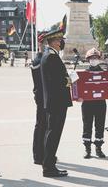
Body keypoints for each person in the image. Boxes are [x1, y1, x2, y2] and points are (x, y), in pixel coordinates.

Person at [40, 29, 71, 177]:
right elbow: (56, 81)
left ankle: (49, 164)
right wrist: (68, 79)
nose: (60, 42)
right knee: (53, 134)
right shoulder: (51, 57)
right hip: (57, 102)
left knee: (52, 134)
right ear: (52, 41)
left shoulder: (50, 55)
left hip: (55, 101)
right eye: (58, 40)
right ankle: (49, 167)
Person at [79, 48, 107, 159]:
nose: (94, 60)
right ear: (88, 60)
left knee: (100, 126)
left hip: (100, 103)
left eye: (96, 58)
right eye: (92, 58)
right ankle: (87, 149)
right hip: (87, 104)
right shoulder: (83, 74)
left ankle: (98, 148)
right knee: (87, 125)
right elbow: (77, 88)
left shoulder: (105, 74)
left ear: (99, 59)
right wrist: (78, 97)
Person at [31, 32, 47, 165]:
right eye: (45, 43)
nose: (47, 45)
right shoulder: (39, 60)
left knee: (45, 126)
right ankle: (38, 155)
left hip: (45, 96)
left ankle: (43, 152)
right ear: (40, 44)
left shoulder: (44, 58)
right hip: (42, 97)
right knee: (41, 125)